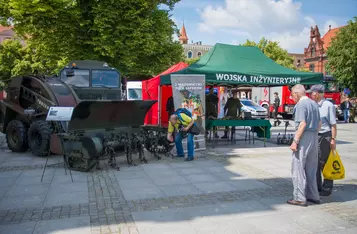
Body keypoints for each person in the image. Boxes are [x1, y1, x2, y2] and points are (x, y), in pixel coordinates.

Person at [288, 84, 321, 206]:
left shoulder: (301, 105)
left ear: (296, 93)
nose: (292, 97)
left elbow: (302, 123)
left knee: (297, 167)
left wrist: (295, 141)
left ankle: (299, 197)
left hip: (304, 136)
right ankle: (313, 195)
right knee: (312, 169)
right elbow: (319, 123)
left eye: (292, 95)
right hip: (314, 135)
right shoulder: (314, 103)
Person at [307, 84, 337, 197]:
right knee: (315, 163)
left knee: (325, 162)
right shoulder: (313, 105)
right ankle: (317, 186)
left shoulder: (328, 105)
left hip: (325, 136)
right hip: (315, 136)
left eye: (312, 93)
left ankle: (327, 187)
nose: (310, 95)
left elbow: (333, 125)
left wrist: (333, 140)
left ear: (317, 93)